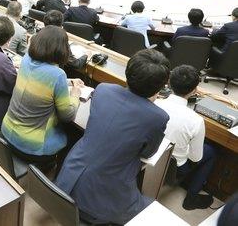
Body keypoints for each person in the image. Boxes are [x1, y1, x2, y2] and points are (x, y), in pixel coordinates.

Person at [56, 49, 170, 225]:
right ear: (160, 87)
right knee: (153, 210)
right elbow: (148, 153)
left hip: (67, 177)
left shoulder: (103, 89)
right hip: (101, 199)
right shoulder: (157, 117)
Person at [2, 26, 83, 163]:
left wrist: (68, 82)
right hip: (31, 146)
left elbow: (41, 78)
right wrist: (75, 95)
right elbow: (67, 116)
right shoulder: (57, 75)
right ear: (62, 49)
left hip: (7, 132)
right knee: (75, 136)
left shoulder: (26, 59)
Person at [155, 65, 215, 210]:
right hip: (175, 168)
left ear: (168, 82)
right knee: (210, 151)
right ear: (194, 90)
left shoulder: (155, 102)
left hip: (153, 158)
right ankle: (191, 198)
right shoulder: (196, 120)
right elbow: (195, 158)